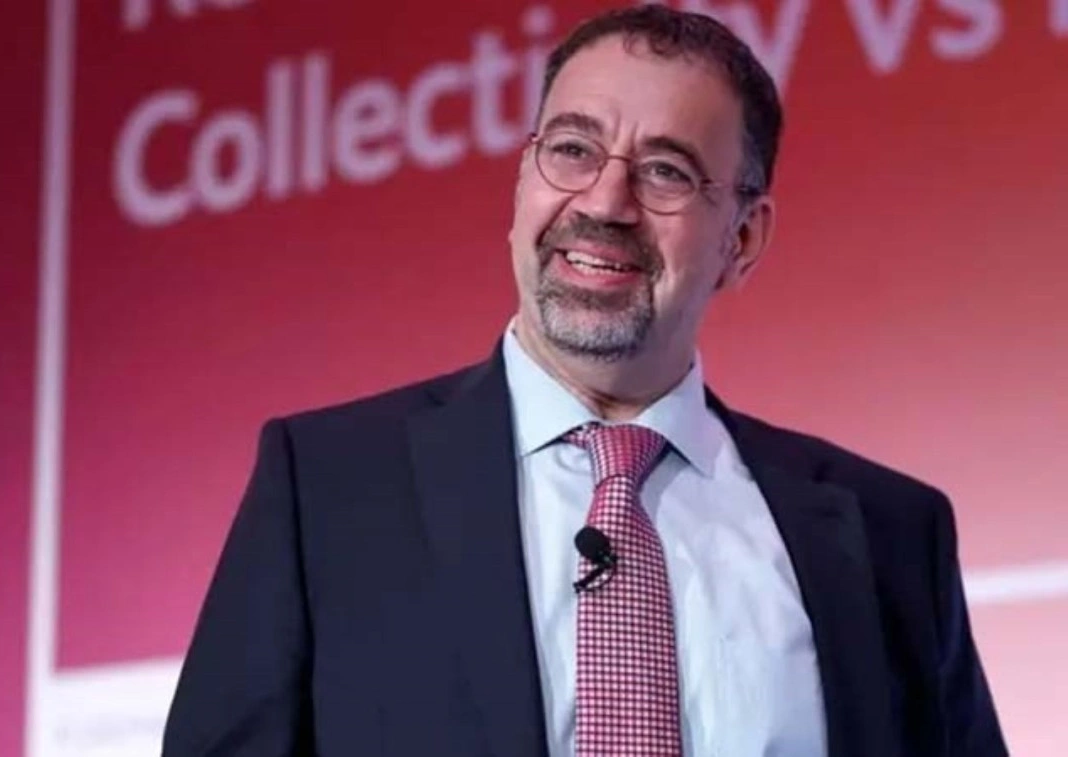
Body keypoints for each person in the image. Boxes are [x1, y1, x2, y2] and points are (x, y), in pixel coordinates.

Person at [162, 6, 1006, 756]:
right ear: (523, 179)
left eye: (666, 170)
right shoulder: (330, 488)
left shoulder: (892, 533)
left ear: (743, 239)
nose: (605, 202)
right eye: (572, 149)